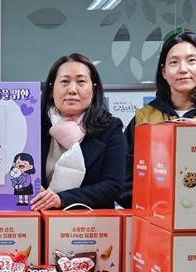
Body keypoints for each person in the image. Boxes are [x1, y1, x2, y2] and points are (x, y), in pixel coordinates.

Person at [118, 30, 196, 208]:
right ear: (164, 72)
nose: (182, 69)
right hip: (154, 213)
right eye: (174, 62)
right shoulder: (144, 118)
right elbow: (122, 177)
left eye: (191, 60)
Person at [30, 53, 126, 211]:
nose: (72, 90)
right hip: (37, 218)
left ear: (93, 88)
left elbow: (112, 186)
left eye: (81, 82)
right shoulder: (33, 126)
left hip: (90, 222)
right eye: (64, 82)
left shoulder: (110, 128)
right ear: (52, 89)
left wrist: (62, 199)